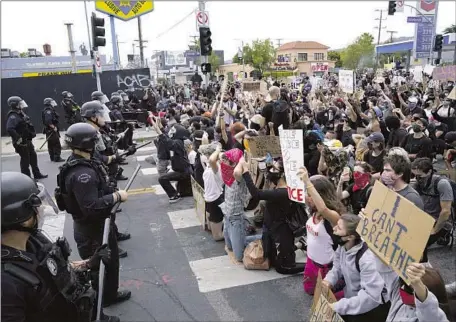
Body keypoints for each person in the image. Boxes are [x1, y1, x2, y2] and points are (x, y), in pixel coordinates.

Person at [1, 172, 118, 322]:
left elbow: (53, 270)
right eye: (37, 206)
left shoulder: (34, 241)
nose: (42, 209)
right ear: (21, 217)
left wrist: (88, 263)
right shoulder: (6, 285)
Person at [55, 123, 131, 308]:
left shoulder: (87, 160)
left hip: (100, 224)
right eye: (94, 140)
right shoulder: (82, 174)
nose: (97, 144)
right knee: (99, 270)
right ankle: (100, 308)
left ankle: (110, 295)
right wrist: (115, 196)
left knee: (111, 264)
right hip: (91, 229)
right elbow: (90, 206)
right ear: (86, 144)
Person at [241, 158, 305, 274]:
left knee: (283, 267)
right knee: (270, 255)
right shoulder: (279, 189)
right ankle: (299, 245)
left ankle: (310, 266)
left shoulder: (283, 192)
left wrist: (245, 172)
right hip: (272, 228)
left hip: (281, 231)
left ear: (282, 174)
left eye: (274, 169)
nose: (271, 170)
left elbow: (257, 194)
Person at [323, 214, 390, 322]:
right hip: (354, 300)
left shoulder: (367, 260)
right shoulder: (343, 246)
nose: (334, 229)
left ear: (351, 237)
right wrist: (328, 281)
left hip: (372, 307)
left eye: (339, 228)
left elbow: (370, 297)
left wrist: (337, 307)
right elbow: (337, 267)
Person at [411, 158, 454, 256]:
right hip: (425, 217)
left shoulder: (442, 184)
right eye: (413, 175)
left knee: (417, 246)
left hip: (440, 221)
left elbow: (446, 212)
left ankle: (445, 233)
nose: (416, 179)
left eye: (419, 176)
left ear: (429, 171)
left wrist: (434, 230)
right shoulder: (419, 183)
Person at [6, 96, 48, 180]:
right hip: (21, 142)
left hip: (27, 140)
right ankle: (27, 178)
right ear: (14, 105)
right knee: (25, 159)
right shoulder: (13, 116)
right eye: (19, 104)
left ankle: (37, 174)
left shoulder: (20, 113)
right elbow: (9, 128)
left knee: (33, 156)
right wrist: (18, 138)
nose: (21, 105)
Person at [151, 118, 193, 203]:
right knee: (183, 190)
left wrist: (159, 132)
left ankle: (173, 195)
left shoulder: (178, 142)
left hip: (183, 171)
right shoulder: (177, 140)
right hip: (180, 169)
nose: (170, 132)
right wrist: (159, 126)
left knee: (162, 178)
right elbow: (167, 136)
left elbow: (168, 142)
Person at [42, 97, 65, 162]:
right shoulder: (48, 111)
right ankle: (57, 157)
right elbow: (48, 121)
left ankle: (52, 157)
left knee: (51, 144)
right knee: (56, 144)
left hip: (49, 130)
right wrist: (53, 127)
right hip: (51, 130)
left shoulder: (48, 110)